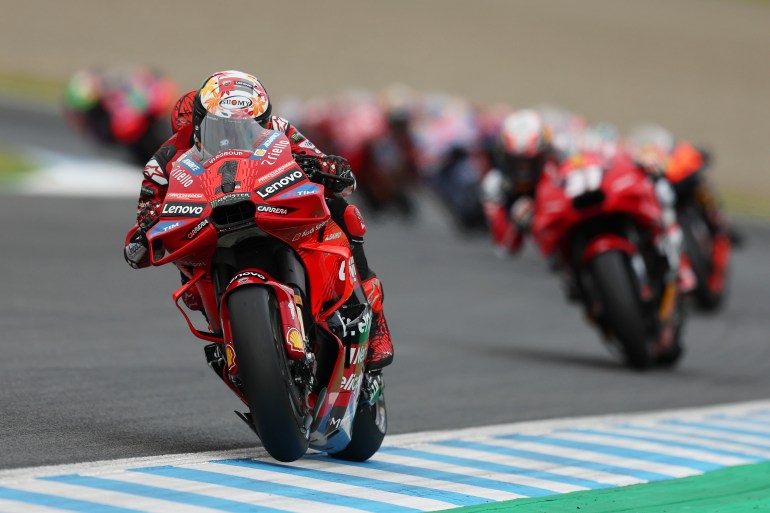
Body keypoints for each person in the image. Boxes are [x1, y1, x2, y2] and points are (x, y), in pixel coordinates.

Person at [123, 70, 393, 370]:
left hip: (267, 205)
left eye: (249, 125)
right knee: (189, 279)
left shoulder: (279, 128)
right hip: (207, 225)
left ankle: (374, 319)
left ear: (264, 118)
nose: (234, 133)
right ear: (200, 122)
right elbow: (148, 210)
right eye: (221, 125)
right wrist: (146, 229)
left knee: (341, 210)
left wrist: (327, 168)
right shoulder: (166, 158)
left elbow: (320, 160)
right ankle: (224, 339)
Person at [480, 109, 559, 254]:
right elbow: (505, 246)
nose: (524, 170)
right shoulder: (493, 184)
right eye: (516, 161)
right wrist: (516, 224)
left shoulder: (557, 168)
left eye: (530, 162)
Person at [63, 67, 178, 164]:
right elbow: (126, 128)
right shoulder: (103, 127)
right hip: (147, 148)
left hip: (156, 129)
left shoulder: (119, 87)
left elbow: (163, 92)